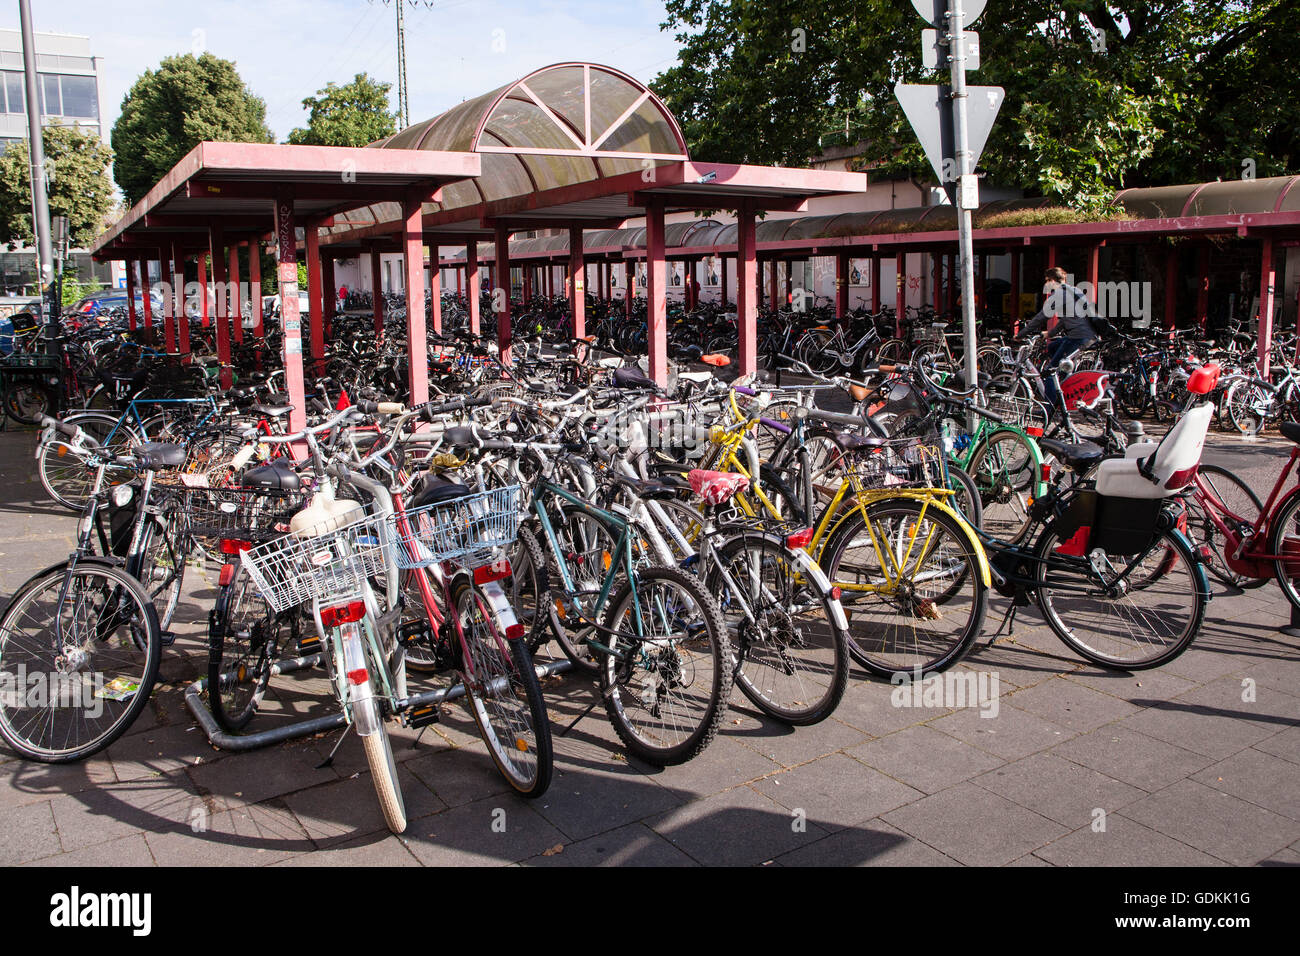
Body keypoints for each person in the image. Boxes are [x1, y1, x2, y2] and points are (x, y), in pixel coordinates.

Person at [1023, 266, 1097, 414]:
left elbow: (1041, 316)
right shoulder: (1075, 291)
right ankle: (1062, 381)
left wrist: (1022, 333)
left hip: (1078, 338)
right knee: (1052, 347)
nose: (1046, 285)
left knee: (1050, 371)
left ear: (1052, 280)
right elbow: (1066, 320)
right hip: (1087, 335)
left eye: (1047, 281)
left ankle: (1048, 408)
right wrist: (1049, 334)